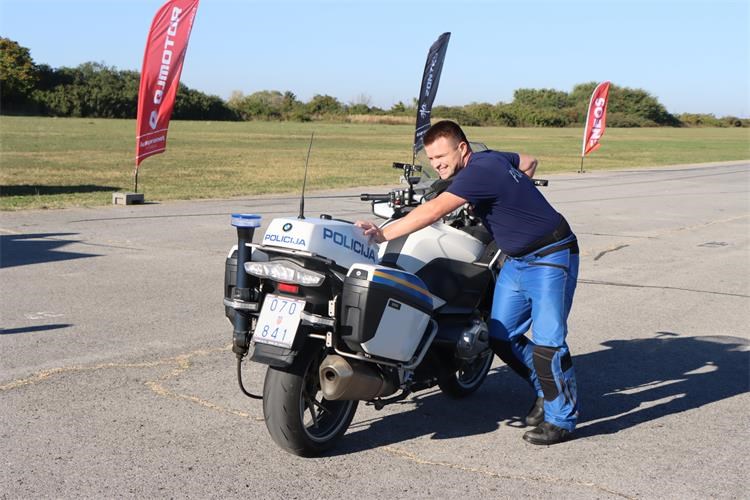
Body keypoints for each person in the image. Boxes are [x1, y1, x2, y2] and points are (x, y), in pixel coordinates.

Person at [355, 120, 579, 445]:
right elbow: (529, 162)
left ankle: (561, 419)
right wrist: (514, 195)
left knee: (548, 343)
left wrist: (381, 234)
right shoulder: (492, 159)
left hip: (551, 255)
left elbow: (432, 211)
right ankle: (547, 389)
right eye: (431, 159)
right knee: (501, 336)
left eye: (441, 156)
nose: (437, 164)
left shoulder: (478, 172)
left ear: (462, 148)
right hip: (517, 259)